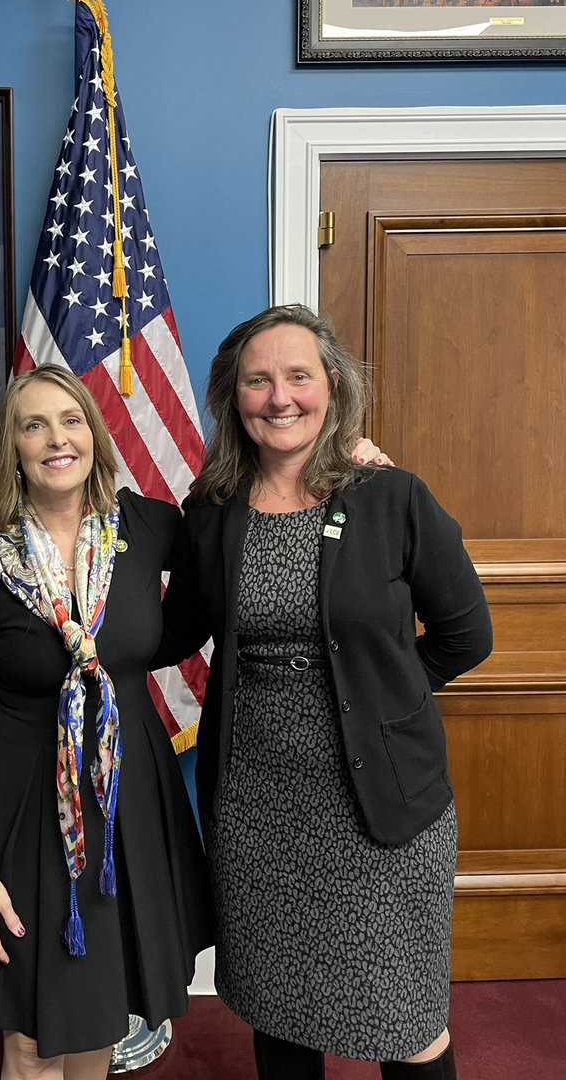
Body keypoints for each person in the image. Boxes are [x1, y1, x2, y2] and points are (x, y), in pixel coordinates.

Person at [155, 305, 493, 1080]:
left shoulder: (391, 496)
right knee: (279, 1006)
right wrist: (73, 624)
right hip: (255, 807)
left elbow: (465, 636)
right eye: (258, 380)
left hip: (384, 809)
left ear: (330, 385)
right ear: (232, 396)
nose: (280, 397)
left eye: (298, 376)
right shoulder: (212, 512)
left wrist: (385, 696)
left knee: (404, 1016)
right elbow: (174, 634)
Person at [0, 364, 213, 1080]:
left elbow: (240, 536)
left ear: (94, 433)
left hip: (129, 801)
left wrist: (350, 468)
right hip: (22, 809)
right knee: (28, 1036)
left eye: (71, 419)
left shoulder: (149, 527)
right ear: (12, 452)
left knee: (96, 1015)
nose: (57, 438)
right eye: (33, 424)